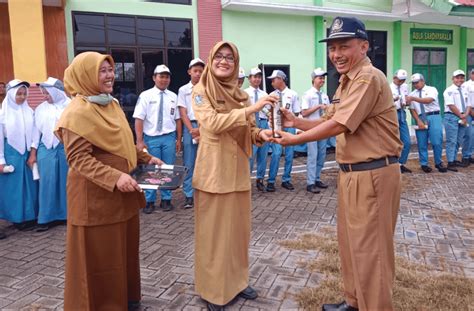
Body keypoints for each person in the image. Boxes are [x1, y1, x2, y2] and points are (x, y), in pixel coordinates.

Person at [273, 17, 402, 311]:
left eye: (344, 46)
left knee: (373, 254)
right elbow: (330, 119)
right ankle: (354, 301)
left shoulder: (368, 77)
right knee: (351, 244)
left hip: (373, 173)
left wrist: (294, 139)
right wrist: (296, 123)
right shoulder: (348, 80)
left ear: (364, 46)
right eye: (332, 48)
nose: (336, 54)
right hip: (353, 174)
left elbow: (339, 125)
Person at [56, 52, 163, 310]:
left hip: (122, 196)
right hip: (96, 201)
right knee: (102, 260)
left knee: (123, 253)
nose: (110, 75)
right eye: (102, 70)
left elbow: (124, 141)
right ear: (86, 75)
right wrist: (115, 177)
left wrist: (146, 157)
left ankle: (126, 300)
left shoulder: (110, 104)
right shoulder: (76, 113)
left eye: (110, 69)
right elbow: (79, 159)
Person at [191, 41, 275, 311]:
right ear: (211, 59)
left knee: (238, 234)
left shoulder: (241, 96)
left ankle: (237, 282)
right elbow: (213, 124)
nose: (224, 61)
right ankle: (213, 290)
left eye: (230, 57)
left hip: (238, 172)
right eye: (219, 56)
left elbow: (249, 131)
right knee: (214, 237)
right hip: (213, 174)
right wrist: (252, 109)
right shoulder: (201, 91)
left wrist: (263, 134)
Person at [134, 64, 182, 213]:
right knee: (151, 169)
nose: (164, 79)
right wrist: (139, 140)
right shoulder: (146, 95)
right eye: (161, 76)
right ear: (154, 78)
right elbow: (139, 119)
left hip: (168, 137)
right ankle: (149, 200)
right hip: (151, 138)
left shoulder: (173, 97)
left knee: (167, 168)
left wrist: (178, 139)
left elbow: (178, 120)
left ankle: (166, 199)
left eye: (167, 77)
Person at [0, 79, 38, 231]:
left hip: (28, 154)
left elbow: (36, 132)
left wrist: (33, 152)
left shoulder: (29, 111)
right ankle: (16, 218)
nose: (22, 97)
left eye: (24, 94)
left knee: (30, 186)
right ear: (10, 95)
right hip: (11, 154)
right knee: (14, 188)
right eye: (18, 94)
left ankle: (30, 216)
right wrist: (1, 160)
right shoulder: (3, 115)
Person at [32, 77, 70, 232]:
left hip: (65, 148)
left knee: (66, 182)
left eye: (47, 93)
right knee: (47, 182)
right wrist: (33, 152)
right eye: (43, 93)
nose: (45, 96)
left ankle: (66, 215)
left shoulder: (71, 105)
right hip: (46, 148)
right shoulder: (40, 108)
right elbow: (36, 132)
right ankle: (45, 218)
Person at [177, 58, 205, 209]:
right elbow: (183, 113)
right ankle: (189, 195)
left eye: (201, 71)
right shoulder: (183, 90)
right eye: (195, 71)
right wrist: (192, 130)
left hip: (205, 127)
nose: (198, 74)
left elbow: (209, 111)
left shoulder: (207, 89)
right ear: (189, 72)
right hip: (190, 128)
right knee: (189, 162)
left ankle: (203, 192)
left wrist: (201, 129)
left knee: (205, 162)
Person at [267, 70, 301, 191]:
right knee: (276, 154)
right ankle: (271, 181)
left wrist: (297, 129)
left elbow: (296, 112)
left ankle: (286, 179)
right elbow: (268, 113)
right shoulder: (271, 95)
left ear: (281, 79)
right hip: (277, 127)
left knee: (289, 155)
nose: (271, 82)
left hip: (290, 127)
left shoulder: (293, 94)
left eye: (273, 79)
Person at [407, 73, 447, 173]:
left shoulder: (431, 89)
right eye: (413, 83)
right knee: (422, 143)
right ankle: (424, 164)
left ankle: (438, 162)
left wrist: (413, 98)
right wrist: (418, 120)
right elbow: (412, 109)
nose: (415, 85)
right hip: (420, 118)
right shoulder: (412, 94)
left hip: (434, 116)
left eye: (417, 82)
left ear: (423, 81)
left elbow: (428, 100)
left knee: (437, 141)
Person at [301, 67, 330, 193]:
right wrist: (318, 106)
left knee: (322, 155)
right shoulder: (308, 95)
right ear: (313, 79)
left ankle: (317, 178)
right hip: (312, 128)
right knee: (312, 156)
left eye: (323, 78)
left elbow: (328, 111)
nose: (322, 80)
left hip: (323, 128)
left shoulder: (324, 95)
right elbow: (304, 112)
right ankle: (310, 182)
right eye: (320, 78)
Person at [245, 67, 269, 192]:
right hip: (251, 125)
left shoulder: (264, 94)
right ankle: (246, 181)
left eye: (259, 77)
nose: (257, 79)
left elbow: (267, 110)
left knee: (263, 154)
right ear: (249, 79)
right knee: (250, 154)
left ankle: (260, 180)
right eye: (254, 76)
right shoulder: (244, 94)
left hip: (263, 123)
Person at [443, 70, 471, 171]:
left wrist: (465, 115)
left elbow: (469, 104)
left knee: (459, 140)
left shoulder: (464, 90)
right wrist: (461, 115)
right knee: (452, 140)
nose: (460, 80)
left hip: (463, 116)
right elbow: (451, 105)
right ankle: (450, 163)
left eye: (461, 77)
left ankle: (454, 159)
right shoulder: (449, 90)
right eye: (457, 78)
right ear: (453, 79)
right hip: (451, 117)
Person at [390, 69, 412, 173]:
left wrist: (406, 102)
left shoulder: (405, 87)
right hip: (392, 113)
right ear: (394, 78)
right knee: (394, 141)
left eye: (403, 80)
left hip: (402, 113)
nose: (401, 82)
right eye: (400, 80)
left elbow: (407, 99)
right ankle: (393, 165)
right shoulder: (388, 87)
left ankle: (401, 163)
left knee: (406, 141)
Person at [462, 68, 474, 164]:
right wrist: (470, 111)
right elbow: (465, 101)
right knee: (468, 134)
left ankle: (471, 155)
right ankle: (465, 156)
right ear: (471, 74)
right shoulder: (465, 85)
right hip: (469, 112)